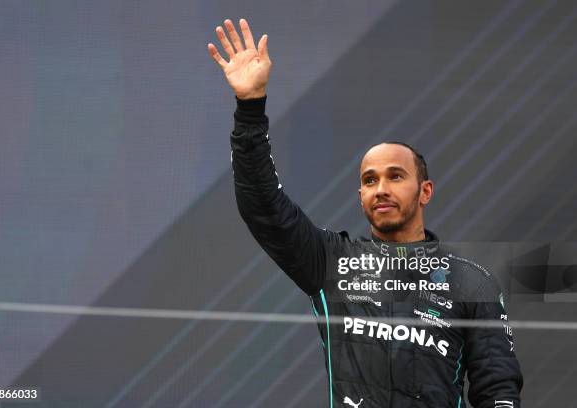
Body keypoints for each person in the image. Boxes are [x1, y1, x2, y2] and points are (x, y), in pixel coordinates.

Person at [208, 18, 523, 407]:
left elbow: (498, 392)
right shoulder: (331, 262)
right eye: (370, 180)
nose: (382, 189)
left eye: (395, 176)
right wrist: (250, 110)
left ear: (425, 191)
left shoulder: (472, 283)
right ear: (360, 196)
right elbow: (262, 206)